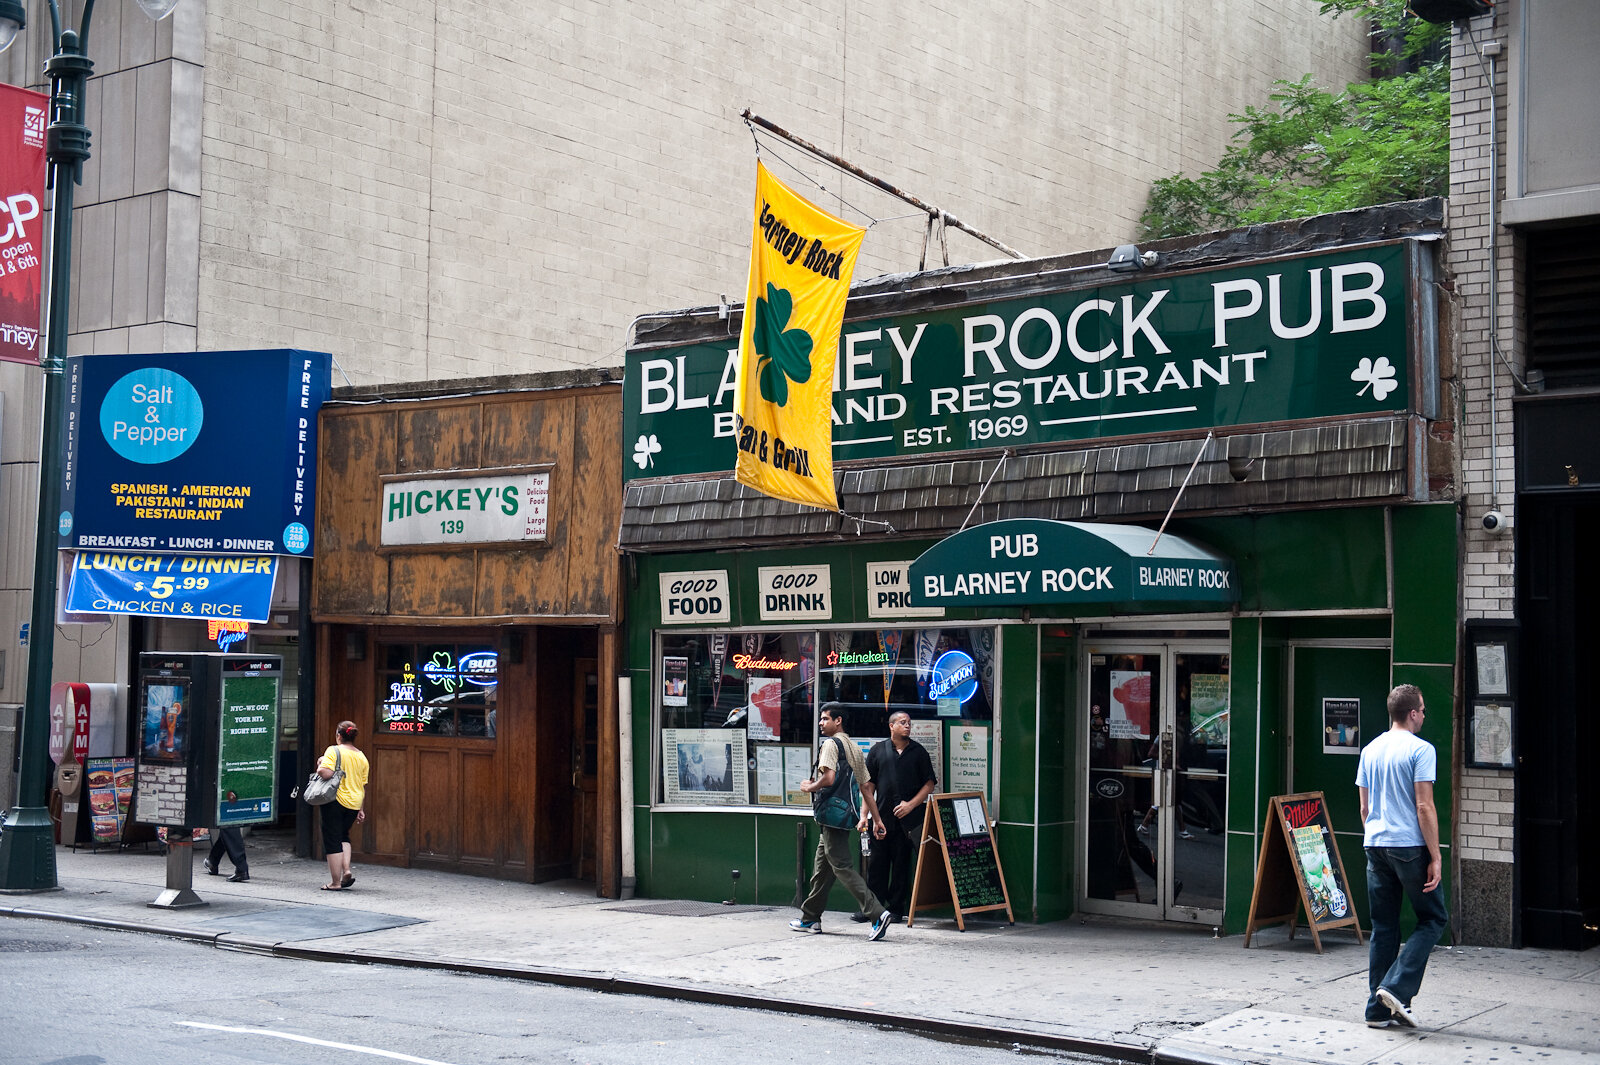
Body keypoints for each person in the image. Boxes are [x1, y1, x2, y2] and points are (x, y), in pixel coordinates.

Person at [1357, 683, 1447, 1030]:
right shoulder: (1420, 750)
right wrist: (1435, 856)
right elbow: (1424, 806)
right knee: (1433, 919)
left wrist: (1376, 834)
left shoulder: (1370, 749)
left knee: (1383, 926)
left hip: (1375, 843)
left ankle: (1377, 1010)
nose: (1424, 715)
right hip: (1409, 846)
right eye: (1422, 710)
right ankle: (1394, 988)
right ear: (1412, 713)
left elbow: (1364, 808)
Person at [791, 703, 893, 941]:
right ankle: (810, 918)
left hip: (831, 815)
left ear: (838, 721)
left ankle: (877, 913)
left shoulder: (830, 744)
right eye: (821, 719)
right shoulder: (854, 748)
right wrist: (876, 820)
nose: (821, 723)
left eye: (825, 719)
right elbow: (866, 788)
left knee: (842, 867)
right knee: (822, 870)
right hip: (844, 816)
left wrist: (810, 787)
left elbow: (828, 778)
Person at [864, 711, 937, 922]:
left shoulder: (918, 751)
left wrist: (911, 805)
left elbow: (930, 783)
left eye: (909, 723)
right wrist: (865, 816)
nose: (907, 726)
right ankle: (873, 909)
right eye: (902, 723)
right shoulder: (878, 750)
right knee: (877, 865)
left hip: (908, 821)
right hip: (881, 818)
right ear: (891, 726)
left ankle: (896, 909)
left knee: (901, 865)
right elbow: (868, 787)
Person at [317, 720, 370, 891]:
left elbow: (324, 773)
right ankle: (346, 870)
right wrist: (361, 809)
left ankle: (335, 882)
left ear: (339, 736)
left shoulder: (333, 750)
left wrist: (321, 763)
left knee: (332, 840)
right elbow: (362, 785)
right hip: (354, 803)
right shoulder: (362, 757)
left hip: (336, 800)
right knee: (343, 836)